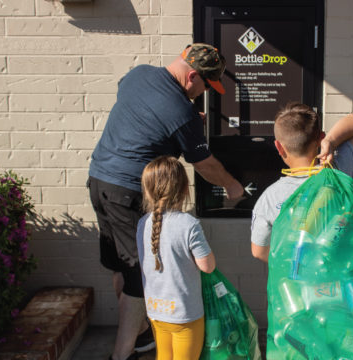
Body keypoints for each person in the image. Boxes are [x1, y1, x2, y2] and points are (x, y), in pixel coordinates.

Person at [88, 43, 243, 360]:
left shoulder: (138, 74)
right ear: (191, 77)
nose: (201, 94)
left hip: (99, 180)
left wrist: (177, 124)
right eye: (204, 86)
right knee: (138, 279)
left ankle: (143, 336)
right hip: (130, 193)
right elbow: (203, 164)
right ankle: (121, 354)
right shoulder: (182, 112)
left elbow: (142, 111)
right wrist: (232, 185)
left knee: (121, 266)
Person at [250, 102, 353, 262]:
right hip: (340, 280)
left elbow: (258, 251)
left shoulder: (269, 197)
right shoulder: (336, 172)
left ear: (278, 147)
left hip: (294, 283)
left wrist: (298, 263)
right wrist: (330, 142)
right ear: (320, 138)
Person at [136, 156, 216, 360]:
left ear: (147, 190)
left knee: (163, 356)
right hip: (185, 314)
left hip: (155, 311)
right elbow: (207, 266)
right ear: (184, 189)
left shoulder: (143, 223)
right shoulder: (188, 224)